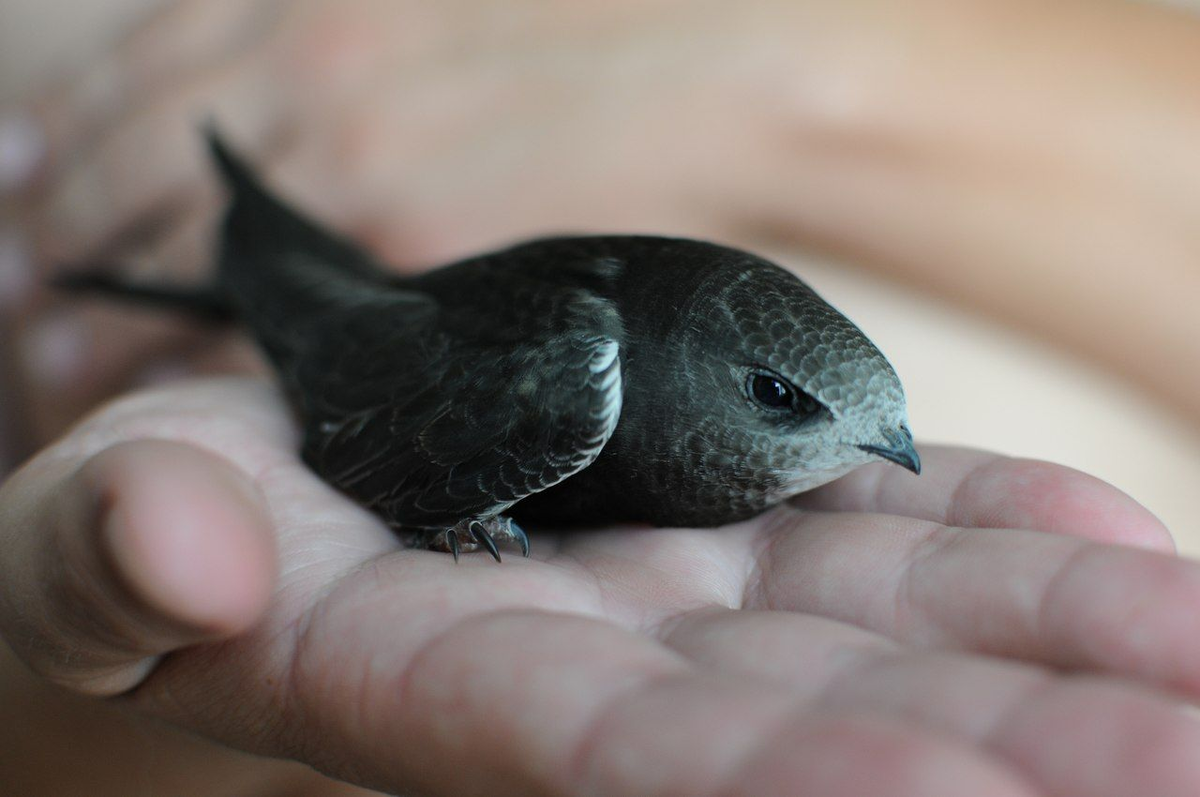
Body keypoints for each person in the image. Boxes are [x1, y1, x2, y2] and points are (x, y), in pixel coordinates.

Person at [3, 1, 1200, 795]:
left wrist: (789, 73)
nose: (869, 451)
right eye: (783, 401)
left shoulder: (759, 348)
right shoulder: (572, 380)